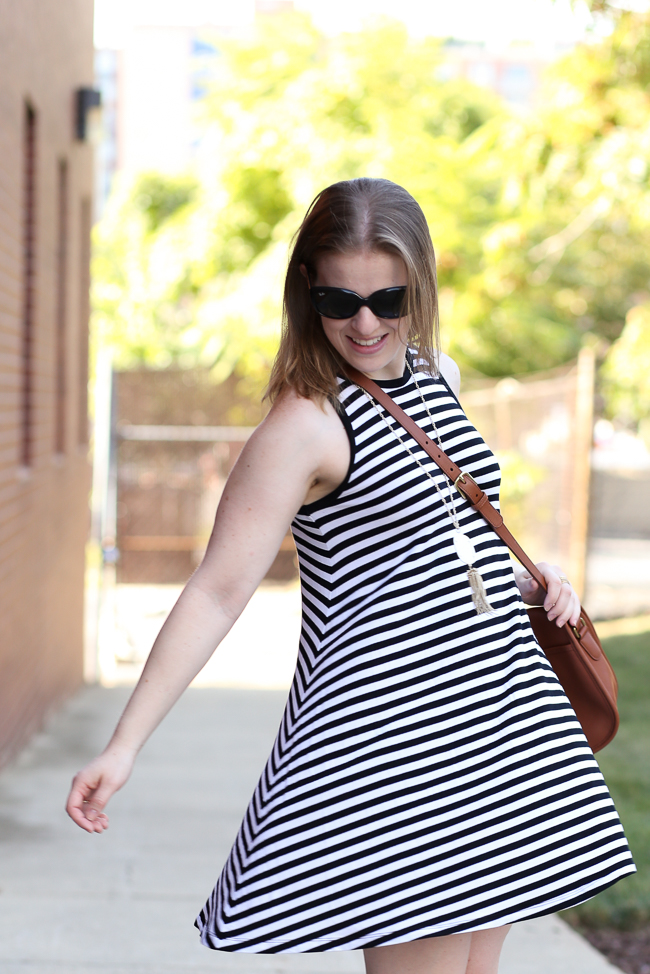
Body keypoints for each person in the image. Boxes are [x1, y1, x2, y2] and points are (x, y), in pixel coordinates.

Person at [67, 178, 635, 974]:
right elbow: (218, 590)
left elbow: (442, 546)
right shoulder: (307, 423)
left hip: (504, 730)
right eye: (339, 299)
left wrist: (537, 583)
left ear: (420, 286)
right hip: (401, 753)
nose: (365, 323)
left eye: (386, 298)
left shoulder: (439, 378)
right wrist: (124, 746)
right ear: (309, 294)